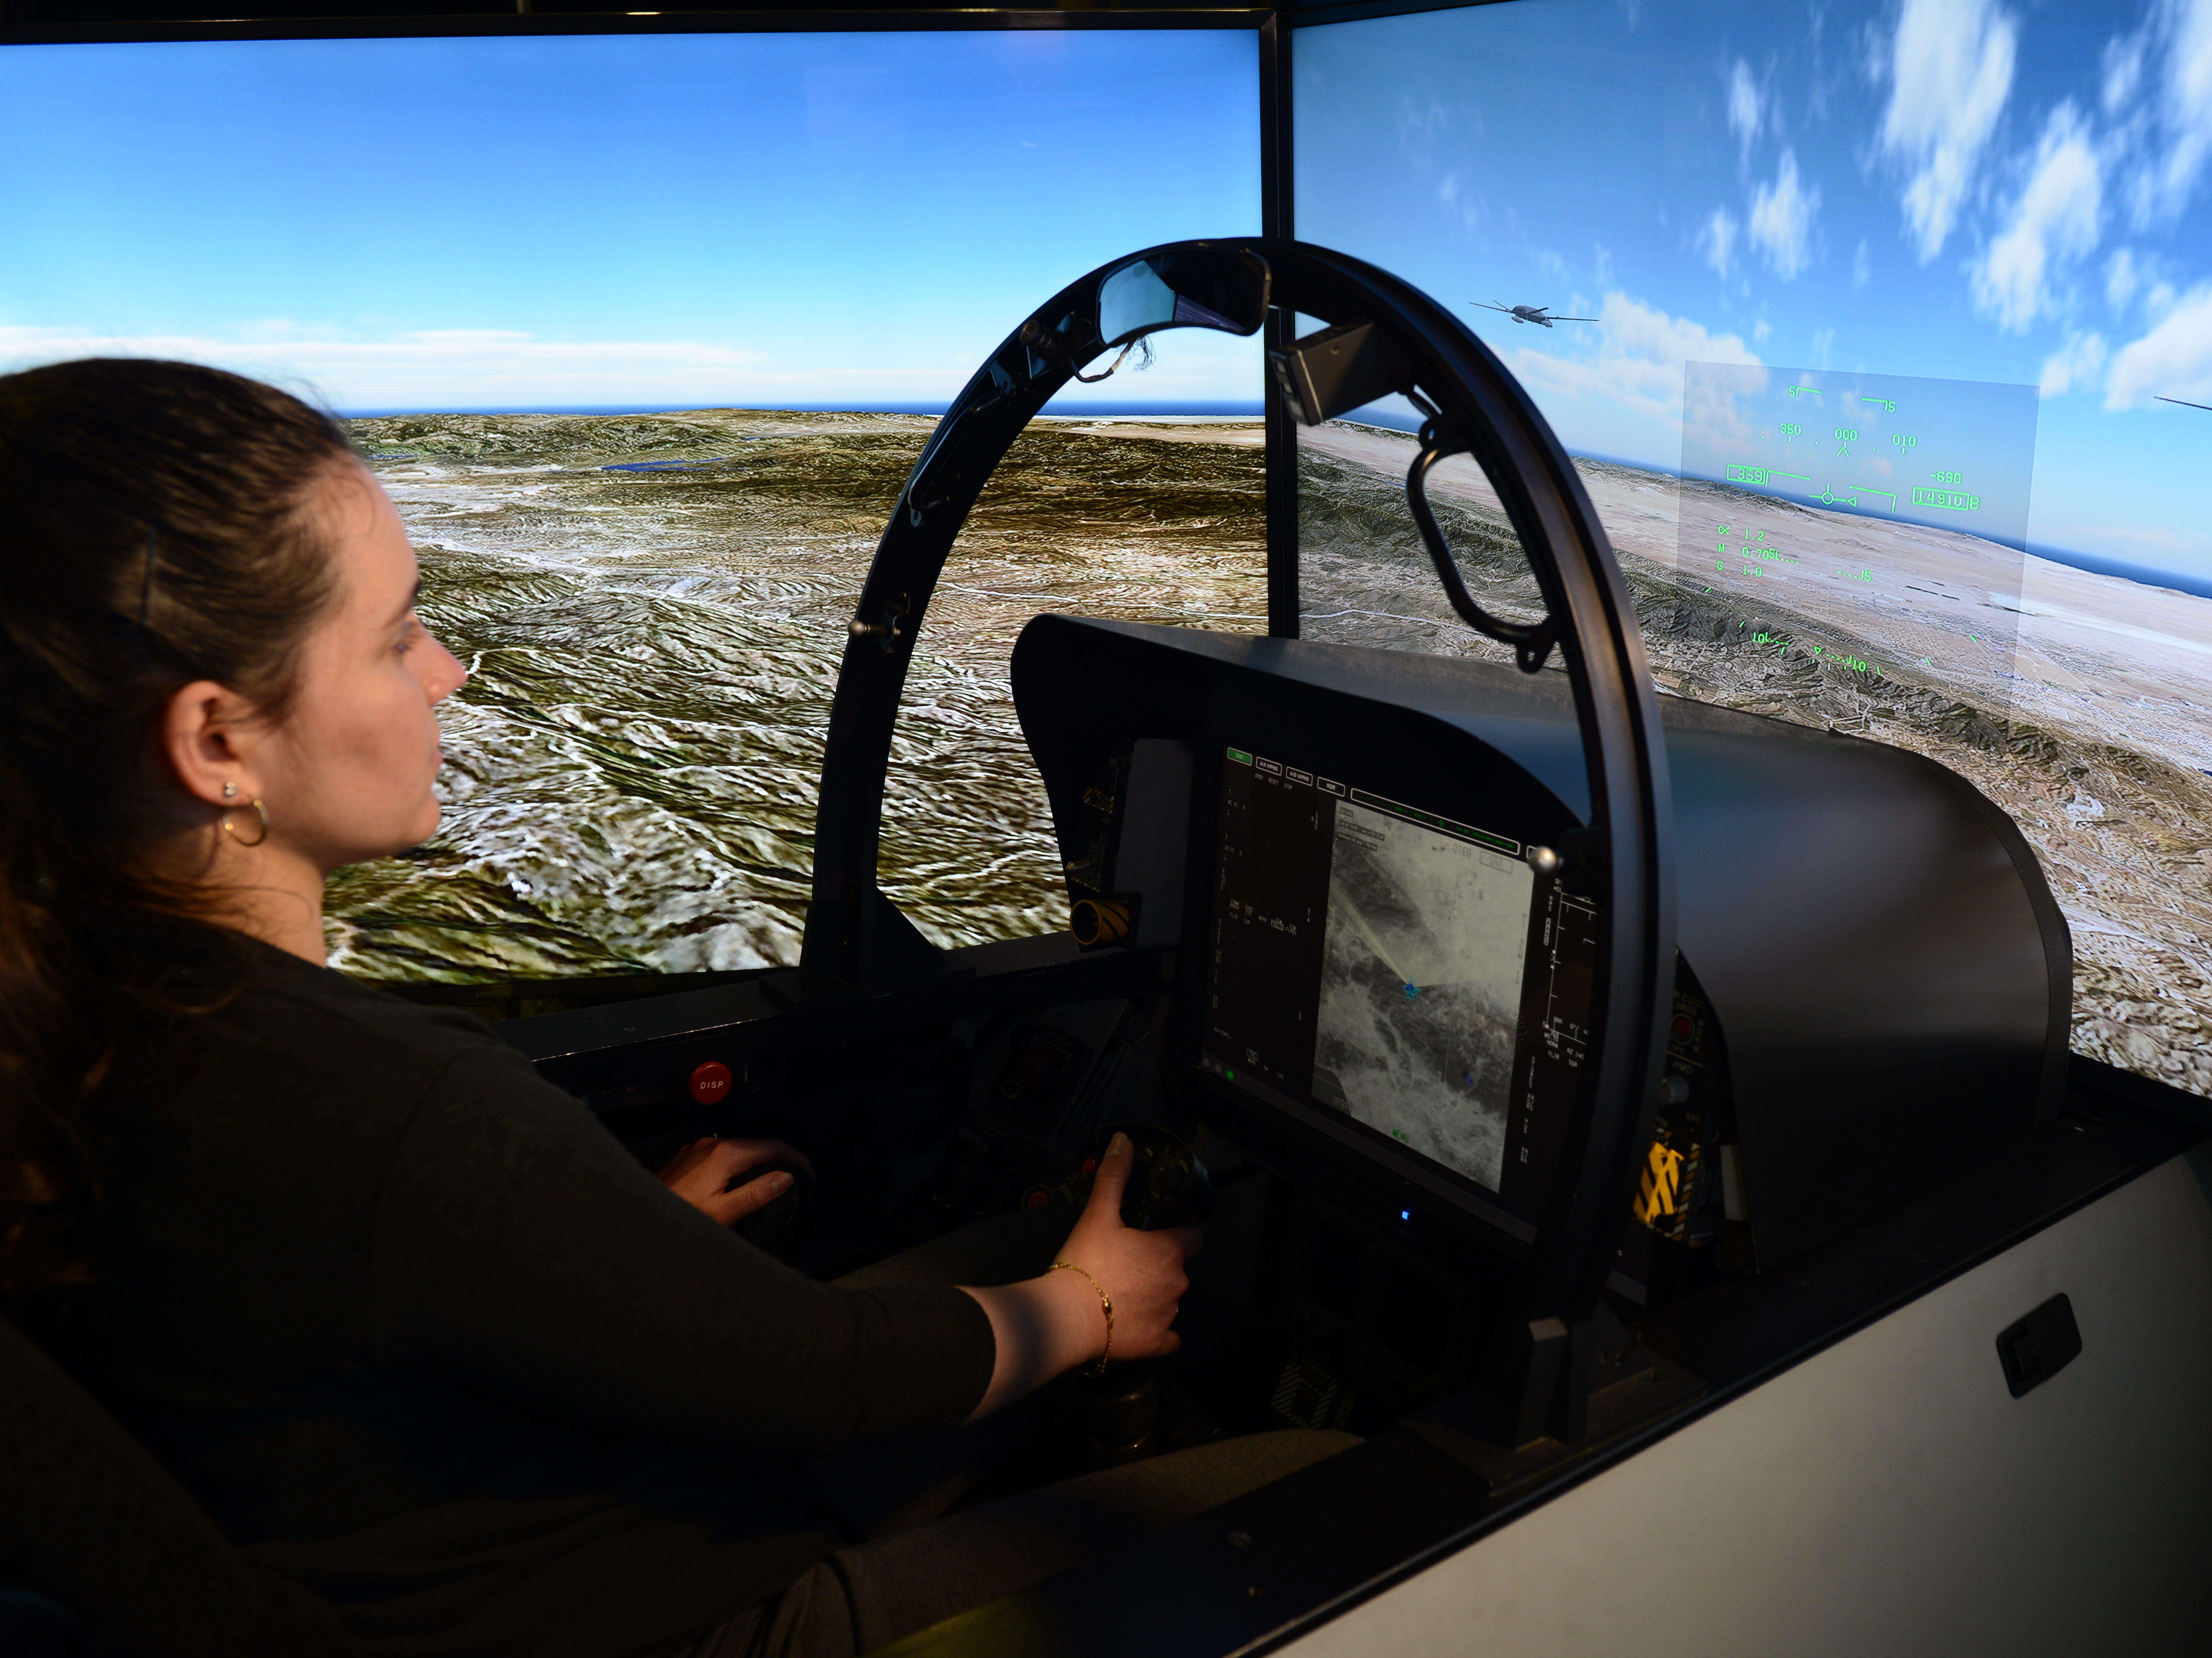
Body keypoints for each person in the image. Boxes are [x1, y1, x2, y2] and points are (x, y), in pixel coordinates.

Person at [0, 359, 1351, 1656]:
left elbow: (325, 1315)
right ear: (217, 741)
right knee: (1337, 1476)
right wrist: (1092, 1309)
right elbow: (817, 1375)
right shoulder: (388, 1110)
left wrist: (583, 1244)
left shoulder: (80, 1011)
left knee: (1028, 1236)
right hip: (679, 1615)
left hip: (484, 1532)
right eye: (395, 634)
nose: (447, 672)